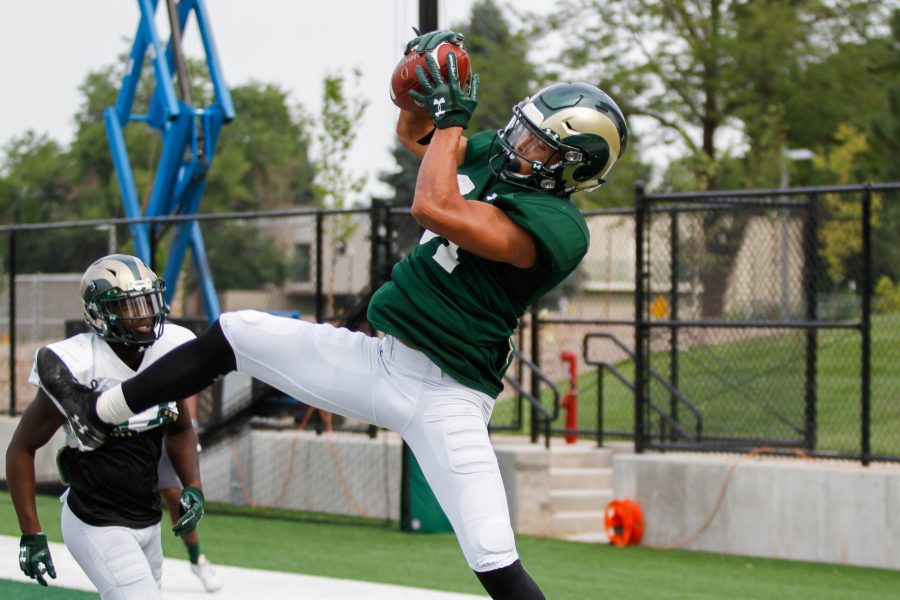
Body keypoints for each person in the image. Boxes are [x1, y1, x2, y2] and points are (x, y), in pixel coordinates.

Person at [43, 29, 627, 600]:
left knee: (492, 555)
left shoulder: (559, 228)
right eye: (521, 130)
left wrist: (452, 117)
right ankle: (100, 411)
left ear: (572, 170)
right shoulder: (496, 158)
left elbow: (433, 206)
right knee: (235, 332)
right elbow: (416, 138)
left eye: (536, 145)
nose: (516, 145)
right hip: (380, 360)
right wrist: (419, 92)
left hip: (448, 395)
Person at [6, 254, 207, 598]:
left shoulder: (170, 349)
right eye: (130, 306)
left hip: (147, 518)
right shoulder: (80, 364)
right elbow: (22, 448)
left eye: (148, 302)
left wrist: (193, 486)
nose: (144, 316)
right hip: (95, 520)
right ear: (100, 312)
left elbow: (180, 427)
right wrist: (31, 532)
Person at [158, 399, 222, 593]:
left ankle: (197, 559)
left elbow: (186, 384)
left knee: (174, 494)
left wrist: (190, 424)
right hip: (129, 424)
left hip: (165, 420)